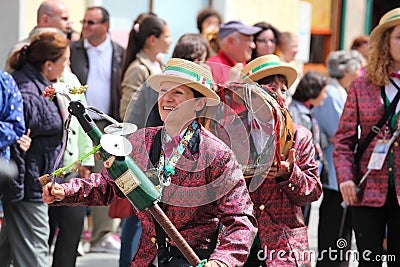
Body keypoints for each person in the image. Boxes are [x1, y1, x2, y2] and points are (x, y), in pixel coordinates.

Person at [43, 58, 257, 267]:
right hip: (146, 258)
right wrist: (66, 191)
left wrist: (222, 261)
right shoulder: (140, 142)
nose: (167, 99)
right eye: (164, 91)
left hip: (193, 259)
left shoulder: (217, 155)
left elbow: (240, 219)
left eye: (178, 93)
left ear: (198, 103)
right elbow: (110, 184)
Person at [237, 55, 322, 266]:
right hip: (238, 242)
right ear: (250, 94)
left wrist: (289, 173)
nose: (278, 93)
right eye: (270, 87)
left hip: (284, 246)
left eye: (283, 89)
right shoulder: (230, 131)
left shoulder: (299, 135)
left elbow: (313, 191)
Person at [334, 8, 400, 265]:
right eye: (399, 37)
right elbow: (343, 140)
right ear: (385, 42)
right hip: (367, 188)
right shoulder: (362, 85)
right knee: (368, 260)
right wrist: (346, 179)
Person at [0, 31, 68, 267]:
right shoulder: (28, 92)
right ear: (48, 64)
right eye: (64, 61)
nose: (67, 65)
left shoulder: (39, 85)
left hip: (34, 182)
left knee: (8, 250)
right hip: (28, 186)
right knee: (35, 255)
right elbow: (17, 144)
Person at [69, 6, 125, 253]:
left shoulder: (119, 52)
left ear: (106, 25)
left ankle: (102, 235)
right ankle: (78, 235)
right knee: (79, 176)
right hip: (79, 122)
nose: (86, 26)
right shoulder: (74, 50)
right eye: (85, 21)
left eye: (92, 22)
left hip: (106, 124)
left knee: (106, 178)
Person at [313, 50, 362, 267]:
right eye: (356, 67)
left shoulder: (340, 91)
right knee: (334, 228)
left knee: (343, 231)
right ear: (345, 70)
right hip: (335, 173)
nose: (359, 71)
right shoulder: (332, 93)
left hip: (341, 171)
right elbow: (340, 131)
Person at [289, 70, 327, 225]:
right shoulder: (296, 113)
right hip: (300, 175)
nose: (325, 96)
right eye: (323, 92)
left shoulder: (306, 111)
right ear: (314, 91)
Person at [120, 14, 172, 125]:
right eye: (167, 36)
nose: (170, 40)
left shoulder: (160, 66)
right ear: (152, 40)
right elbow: (127, 112)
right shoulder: (138, 69)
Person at [5, 0, 72, 71]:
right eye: (64, 19)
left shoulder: (61, 50)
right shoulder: (24, 51)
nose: (69, 26)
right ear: (45, 20)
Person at [207, 20, 261, 84]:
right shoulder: (213, 67)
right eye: (248, 40)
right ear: (231, 42)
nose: (253, 46)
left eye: (252, 40)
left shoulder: (245, 66)